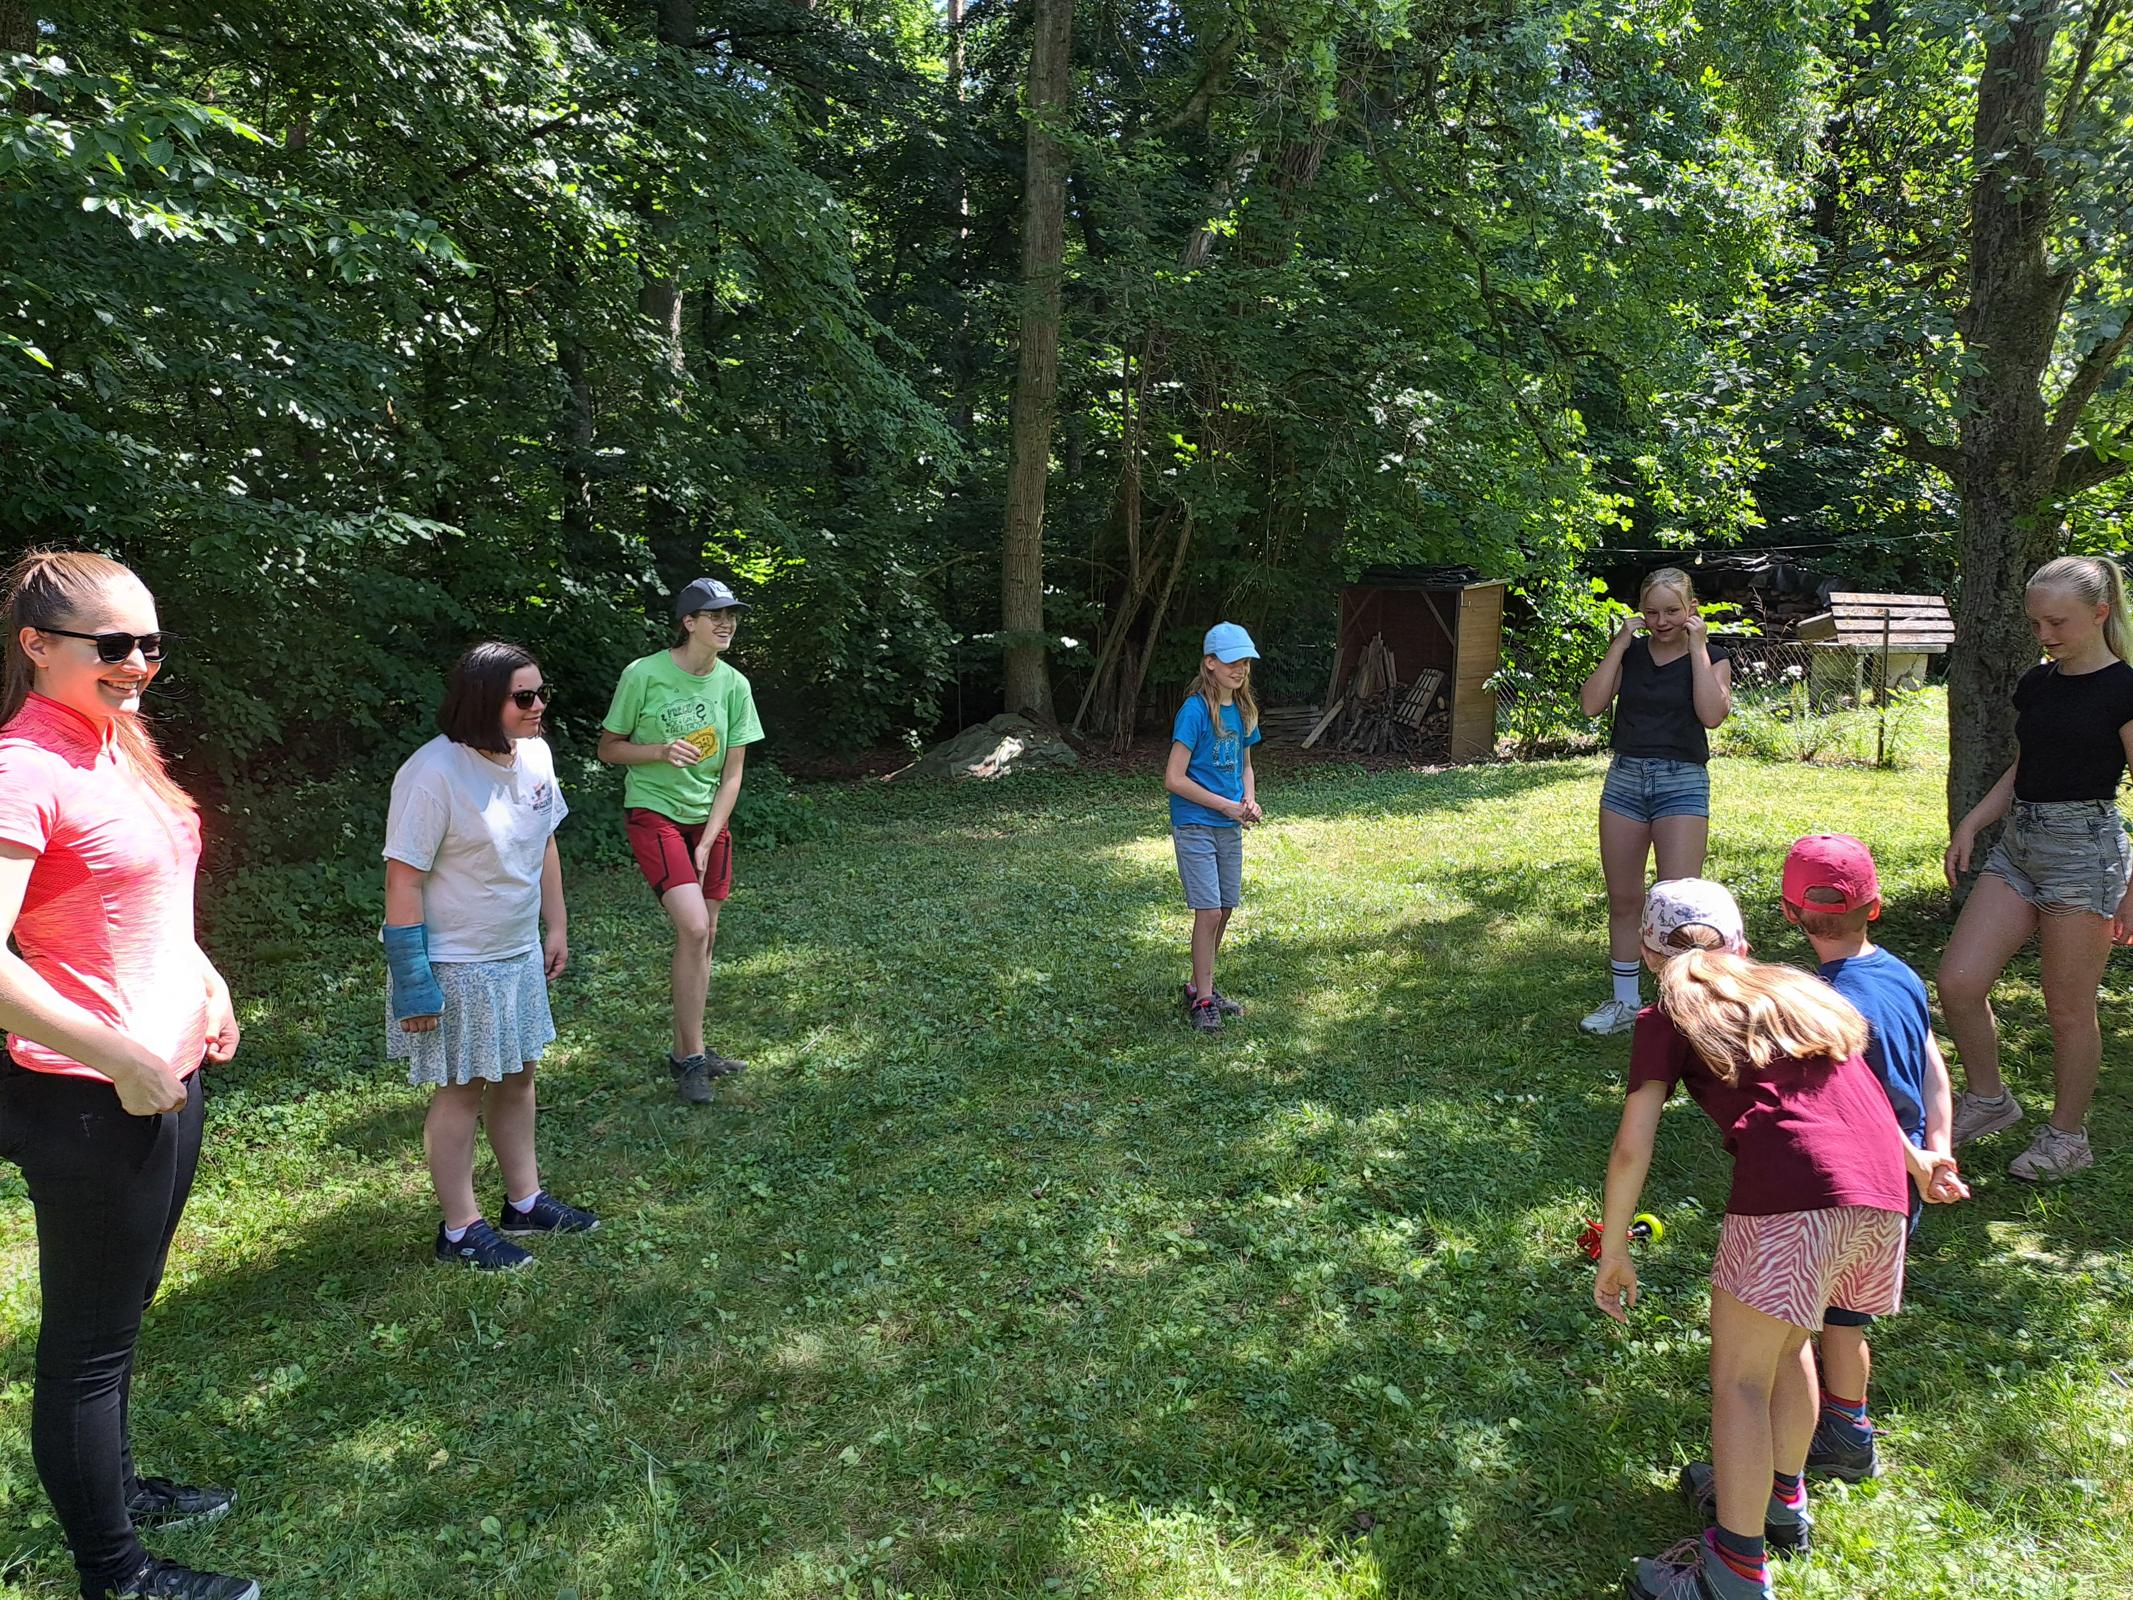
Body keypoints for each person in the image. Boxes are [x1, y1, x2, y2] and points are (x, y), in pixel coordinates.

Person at [0, 551, 258, 1600]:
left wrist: (205, 977)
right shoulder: (25, 767)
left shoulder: (116, 741)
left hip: (163, 1073)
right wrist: (119, 1056)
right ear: (36, 645)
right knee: (88, 1346)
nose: (140, 662)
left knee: (124, 1307)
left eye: (151, 642)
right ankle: (116, 1573)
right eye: (113, 644)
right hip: (92, 1096)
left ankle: (112, 1486)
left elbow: (146, 893)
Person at [1594, 880, 1959, 1600]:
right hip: (1879, 1196)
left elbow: (1633, 1146)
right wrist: (1916, 1159)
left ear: (1647, 953)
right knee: (1790, 1345)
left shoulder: (1666, 1016)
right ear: (1742, 943)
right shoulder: (1798, 992)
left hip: (1792, 1201)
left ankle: (1733, 1572)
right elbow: (1859, 1095)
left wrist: (1613, 1249)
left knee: (1739, 1380)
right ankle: (1780, 1503)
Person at [384, 641, 597, 1271]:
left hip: (516, 950)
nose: (538, 706)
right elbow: (402, 879)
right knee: (462, 1090)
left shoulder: (535, 755)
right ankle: (459, 1229)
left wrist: (555, 925)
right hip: (458, 962)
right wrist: (413, 979)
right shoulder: (432, 773)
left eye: (541, 693)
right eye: (522, 696)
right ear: (481, 701)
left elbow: (544, 843)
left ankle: (524, 1201)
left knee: (520, 1074)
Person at [1771, 833, 1961, 1483]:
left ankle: (1804, 1438)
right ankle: (1848, 1432)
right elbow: (1933, 1068)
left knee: (1803, 1320)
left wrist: (1914, 1161)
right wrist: (1937, 1153)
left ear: (1788, 913)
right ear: (1874, 908)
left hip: (1854, 1184)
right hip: (1902, 1185)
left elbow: (1865, 1108)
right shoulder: (1902, 975)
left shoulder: (1819, 1004)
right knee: (1845, 1320)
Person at [1939, 554, 2133, 1180]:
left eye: (2057, 622)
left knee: (2068, 1007)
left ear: (2099, 613)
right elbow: (2027, 766)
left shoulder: (2124, 689)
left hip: (2086, 855)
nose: (2045, 635)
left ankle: (2068, 1137)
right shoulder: (2038, 683)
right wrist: (1973, 822)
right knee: (1958, 982)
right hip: (2019, 846)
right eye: (2036, 623)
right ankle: (1989, 1099)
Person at [597, 578, 764, 1103]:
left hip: (707, 820)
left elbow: (732, 774)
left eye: (731, 615)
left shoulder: (734, 685)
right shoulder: (643, 674)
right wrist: (660, 751)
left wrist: (709, 839)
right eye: (714, 615)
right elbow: (608, 748)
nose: (726, 623)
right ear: (688, 623)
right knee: (692, 927)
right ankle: (692, 1059)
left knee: (705, 935)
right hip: (655, 812)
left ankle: (686, 1049)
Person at [1576, 567, 1734, 1036]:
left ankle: (1682, 1008)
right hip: (1625, 780)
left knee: (1679, 903)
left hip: (1682, 781)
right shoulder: (1632, 654)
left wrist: (1698, 647)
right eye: (1651, 612)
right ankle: (1625, 1002)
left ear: (1691, 609)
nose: (1661, 621)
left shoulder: (1713, 656)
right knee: (1625, 899)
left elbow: (1712, 715)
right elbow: (1590, 705)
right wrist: (1619, 644)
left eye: (1671, 611)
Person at [1164, 623, 1263, 1034]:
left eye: (1245, 662)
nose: (1240, 669)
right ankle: (1204, 1000)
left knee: (1225, 908)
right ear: (1210, 663)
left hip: (1228, 823)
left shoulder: (1243, 710)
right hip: (1195, 824)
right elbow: (1174, 778)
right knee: (1208, 911)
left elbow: (1245, 766)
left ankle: (1198, 985)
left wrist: (1248, 800)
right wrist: (1225, 805)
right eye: (1231, 662)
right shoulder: (1194, 711)